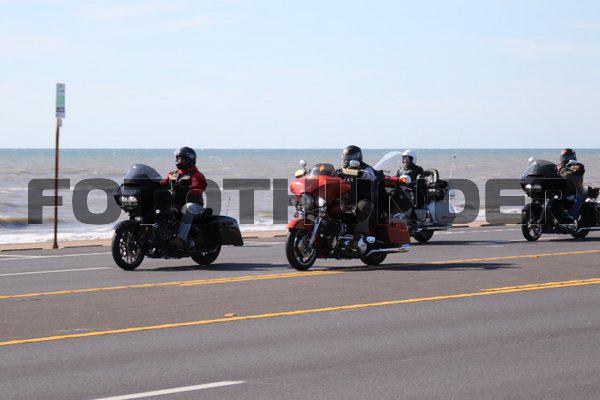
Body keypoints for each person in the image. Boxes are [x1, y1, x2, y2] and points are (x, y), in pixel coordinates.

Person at [161, 147, 207, 249]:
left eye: (180, 158)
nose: (178, 161)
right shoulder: (173, 174)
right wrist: (147, 182)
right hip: (176, 204)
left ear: (189, 159)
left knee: (188, 208)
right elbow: (162, 183)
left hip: (195, 206)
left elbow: (199, 187)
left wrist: (185, 188)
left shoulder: (196, 175)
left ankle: (180, 240)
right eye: (177, 158)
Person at [339, 145, 378, 240]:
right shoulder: (342, 169)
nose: (347, 159)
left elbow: (371, 176)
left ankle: (360, 236)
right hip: (347, 199)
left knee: (363, 206)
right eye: (346, 157)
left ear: (357, 157)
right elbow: (332, 175)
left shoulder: (365, 168)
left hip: (362, 198)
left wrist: (360, 173)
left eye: (350, 157)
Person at [557, 148, 585, 221]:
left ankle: (571, 218)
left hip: (576, 191)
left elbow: (578, 168)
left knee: (577, 199)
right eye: (564, 157)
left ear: (573, 157)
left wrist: (570, 168)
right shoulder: (559, 167)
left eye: (568, 157)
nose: (566, 159)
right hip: (562, 191)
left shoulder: (579, 166)